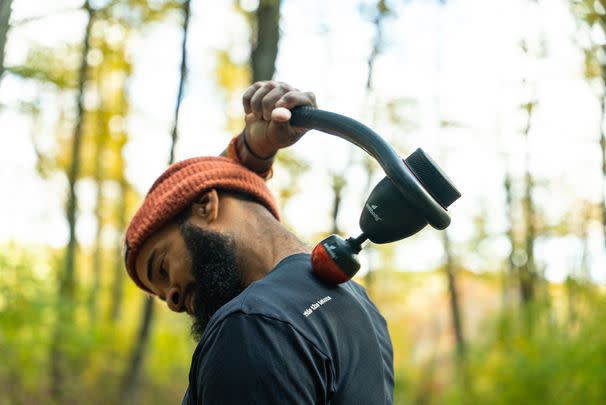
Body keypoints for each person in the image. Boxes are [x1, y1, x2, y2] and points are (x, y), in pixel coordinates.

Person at [123, 81, 394, 404]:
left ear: (206, 206)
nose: (173, 300)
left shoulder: (251, 325)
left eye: (162, 267)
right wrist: (251, 151)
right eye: (163, 295)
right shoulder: (359, 306)